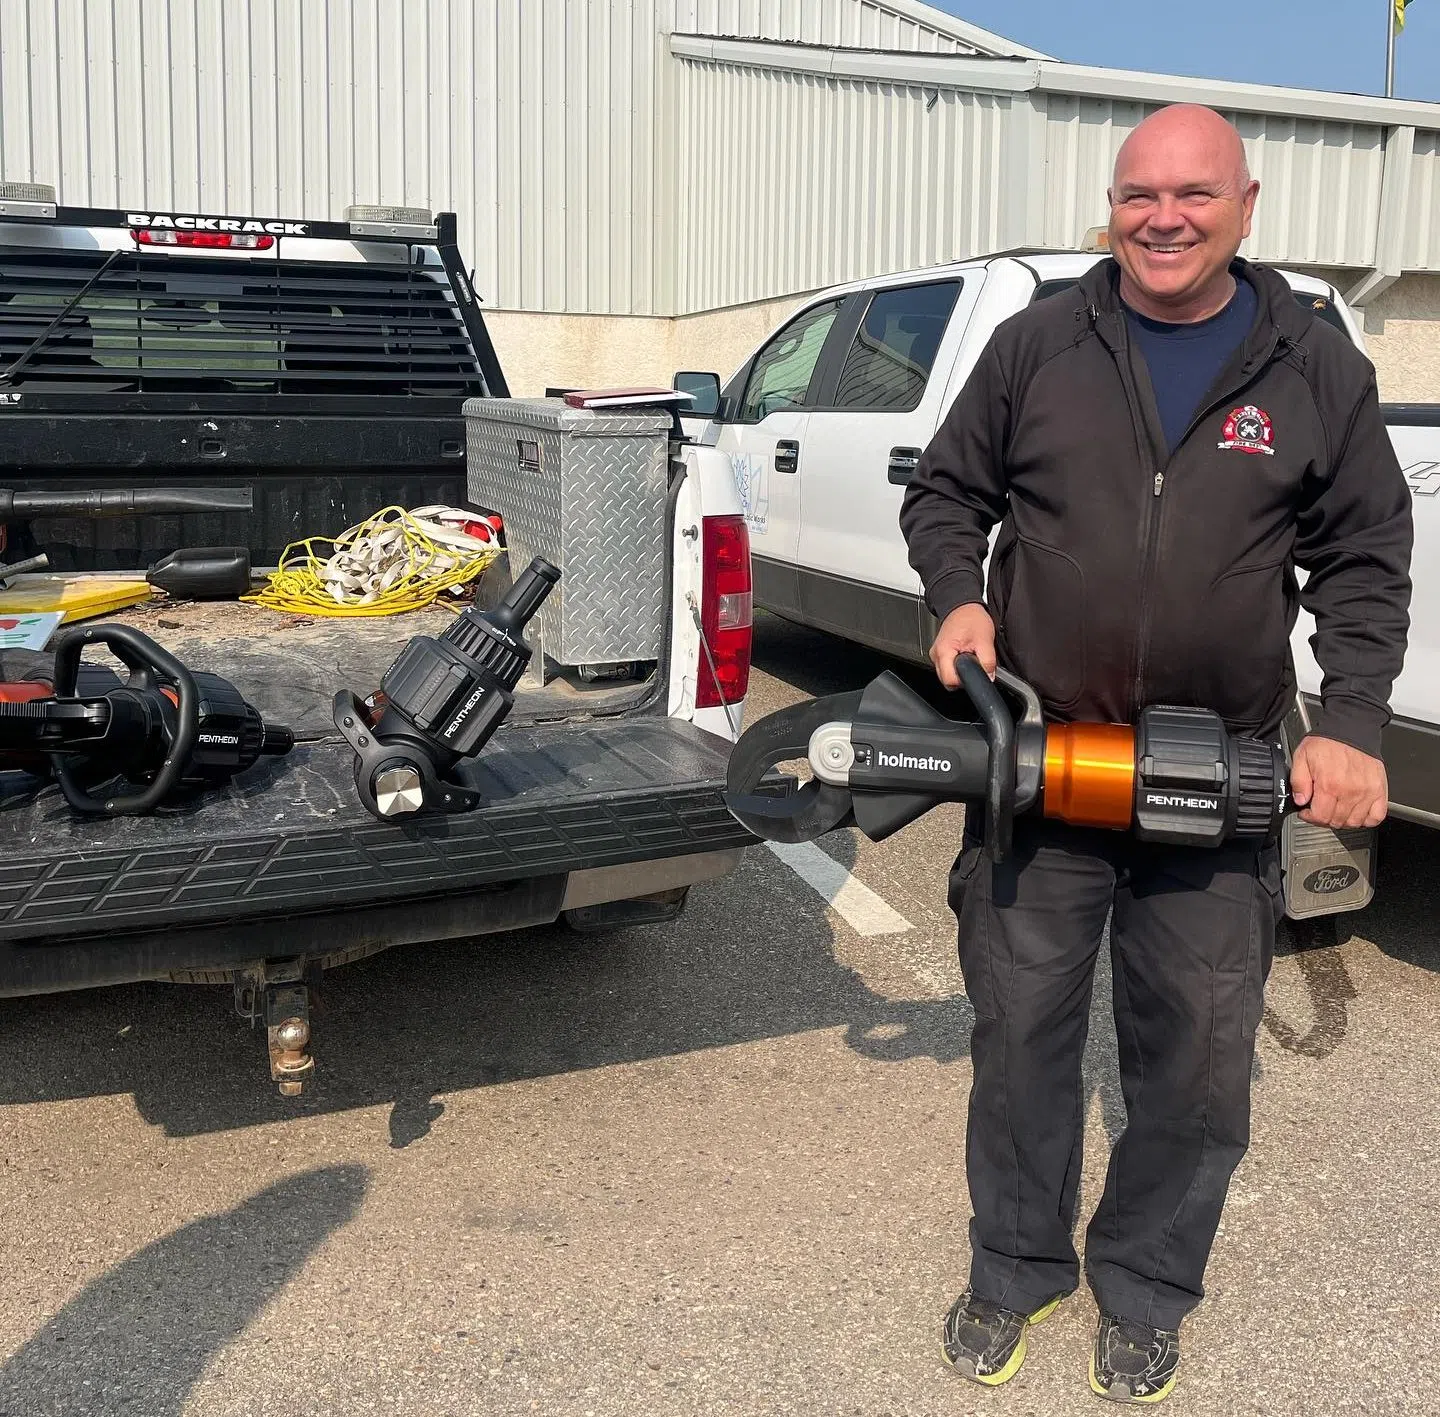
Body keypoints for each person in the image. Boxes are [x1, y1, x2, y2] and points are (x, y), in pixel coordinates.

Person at [899, 104, 1412, 1405]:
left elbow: (1363, 556)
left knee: (1193, 1064)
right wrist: (956, 594)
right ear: (1111, 207)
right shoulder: (1038, 346)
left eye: (1192, 193)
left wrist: (1351, 720)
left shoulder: (1313, 369)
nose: (1163, 218)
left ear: (1249, 202)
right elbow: (947, 491)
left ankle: (1143, 1289)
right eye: (1139, 194)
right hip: (1043, 770)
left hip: (1216, 777)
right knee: (1020, 1043)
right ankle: (1015, 1270)